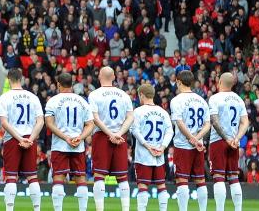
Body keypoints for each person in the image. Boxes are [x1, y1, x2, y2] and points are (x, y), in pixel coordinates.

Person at [0, 68, 45, 211]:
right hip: (30, 138)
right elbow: (40, 121)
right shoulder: (32, 97)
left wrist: (19, 138)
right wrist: (30, 139)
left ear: (8, 79)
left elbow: (4, 123)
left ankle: (10, 208)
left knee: (11, 177)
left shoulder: (5, 97)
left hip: (13, 139)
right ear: (21, 79)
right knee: (32, 177)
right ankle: (37, 208)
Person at [44, 73, 93, 211]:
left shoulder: (53, 101)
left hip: (60, 145)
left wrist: (65, 137)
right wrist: (80, 137)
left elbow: (49, 123)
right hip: (78, 146)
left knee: (58, 178)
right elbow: (90, 124)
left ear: (58, 84)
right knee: (81, 179)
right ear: (72, 84)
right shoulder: (82, 101)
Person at [88, 66, 135, 211]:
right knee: (122, 176)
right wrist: (119, 133)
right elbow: (130, 117)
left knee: (99, 175)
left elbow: (95, 119)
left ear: (99, 77)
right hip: (120, 136)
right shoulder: (124, 95)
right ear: (114, 77)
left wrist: (110, 134)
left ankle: (100, 209)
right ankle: (125, 209)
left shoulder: (94, 95)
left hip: (102, 136)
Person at [170, 70, 211, 211]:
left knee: (182, 180)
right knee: (200, 180)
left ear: (179, 82)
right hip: (198, 145)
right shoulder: (201, 100)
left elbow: (180, 123)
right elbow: (208, 124)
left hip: (183, 145)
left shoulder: (176, 100)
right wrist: (197, 139)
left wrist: (191, 138)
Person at [208, 73, 249, 211]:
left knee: (219, 177)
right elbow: (245, 122)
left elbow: (214, 120)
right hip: (234, 141)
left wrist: (226, 138)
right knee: (233, 177)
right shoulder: (239, 99)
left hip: (219, 140)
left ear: (219, 82)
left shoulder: (215, 98)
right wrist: (236, 139)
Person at [131, 84, 174, 211]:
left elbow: (135, 131)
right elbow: (170, 131)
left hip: (143, 155)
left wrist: (146, 145)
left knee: (143, 186)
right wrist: (163, 147)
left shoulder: (138, 111)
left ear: (142, 95)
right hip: (159, 154)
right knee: (161, 185)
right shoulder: (163, 112)